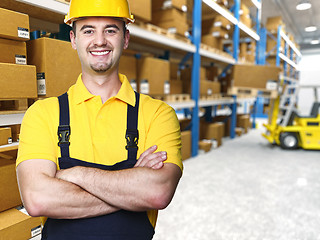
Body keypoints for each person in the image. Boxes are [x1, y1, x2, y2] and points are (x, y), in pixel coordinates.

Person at [16, 0, 183, 239]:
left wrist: (75, 175)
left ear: (125, 38)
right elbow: (37, 199)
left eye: (110, 30)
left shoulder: (158, 114)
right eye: (88, 30)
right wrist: (131, 189)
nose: (100, 40)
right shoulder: (43, 114)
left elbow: (158, 192)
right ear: (73, 39)